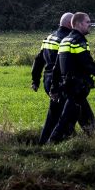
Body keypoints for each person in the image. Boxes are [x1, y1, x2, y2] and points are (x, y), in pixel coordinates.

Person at [47, 12, 95, 144]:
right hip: (77, 88)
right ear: (78, 24)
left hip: (69, 87)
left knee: (87, 119)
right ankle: (52, 144)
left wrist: (54, 89)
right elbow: (88, 65)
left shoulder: (65, 40)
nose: (90, 25)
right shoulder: (79, 41)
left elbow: (57, 68)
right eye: (87, 22)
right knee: (65, 120)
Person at [31, 12, 73, 145]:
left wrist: (35, 80)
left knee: (63, 113)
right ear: (69, 24)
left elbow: (38, 60)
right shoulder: (66, 39)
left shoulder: (49, 37)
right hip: (59, 82)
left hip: (48, 80)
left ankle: (55, 141)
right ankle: (49, 143)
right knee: (56, 116)